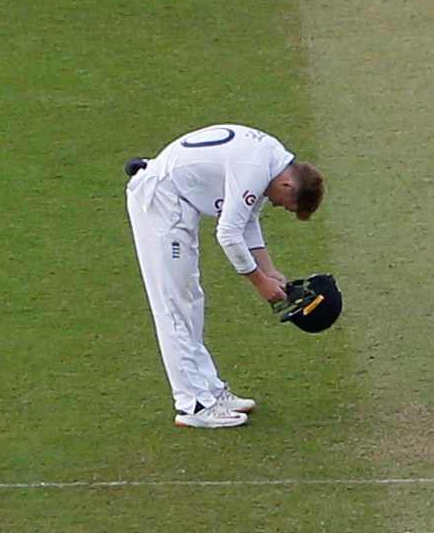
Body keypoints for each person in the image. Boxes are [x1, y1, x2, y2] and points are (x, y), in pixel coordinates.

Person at [124, 125, 325, 428]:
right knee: (175, 305)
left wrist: (270, 270)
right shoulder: (257, 168)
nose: (277, 205)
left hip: (177, 203)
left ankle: (210, 392)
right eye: (285, 204)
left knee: (190, 300)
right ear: (287, 186)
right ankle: (194, 404)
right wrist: (260, 283)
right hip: (161, 202)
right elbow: (228, 234)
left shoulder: (270, 160)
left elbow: (247, 222)